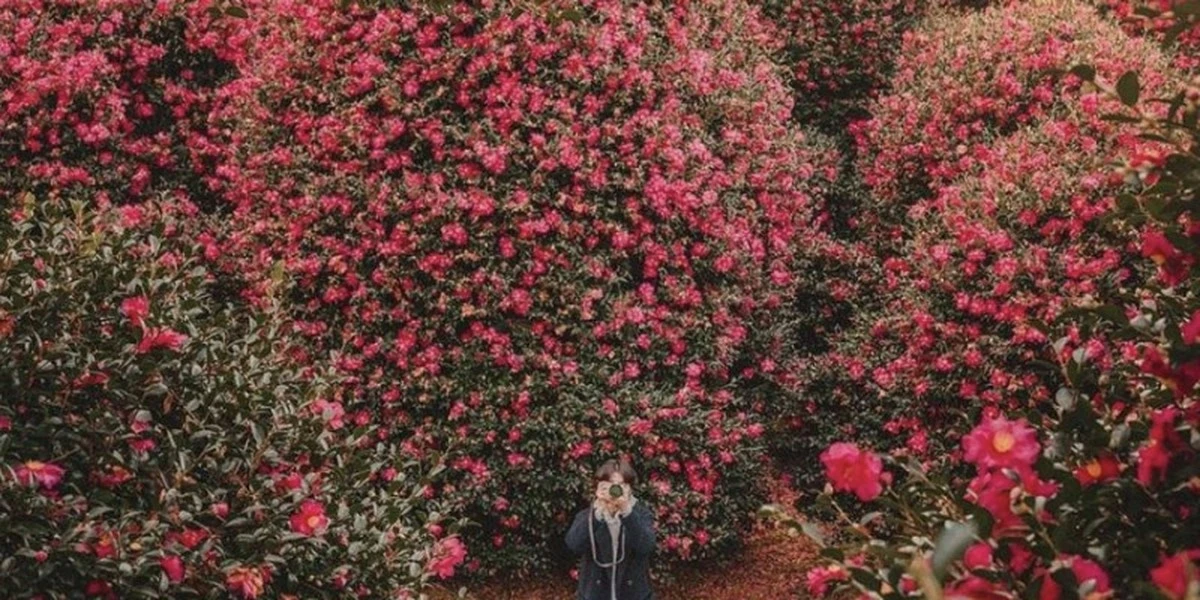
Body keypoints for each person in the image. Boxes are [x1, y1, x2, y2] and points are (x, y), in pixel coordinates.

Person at [565, 459, 656, 600]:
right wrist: (597, 515)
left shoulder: (641, 514)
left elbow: (646, 546)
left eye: (622, 485)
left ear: (630, 488)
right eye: (610, 484)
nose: (616, 490)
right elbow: (573, 544)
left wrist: (627, 512)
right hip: (594, 594)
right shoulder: (588, 516)